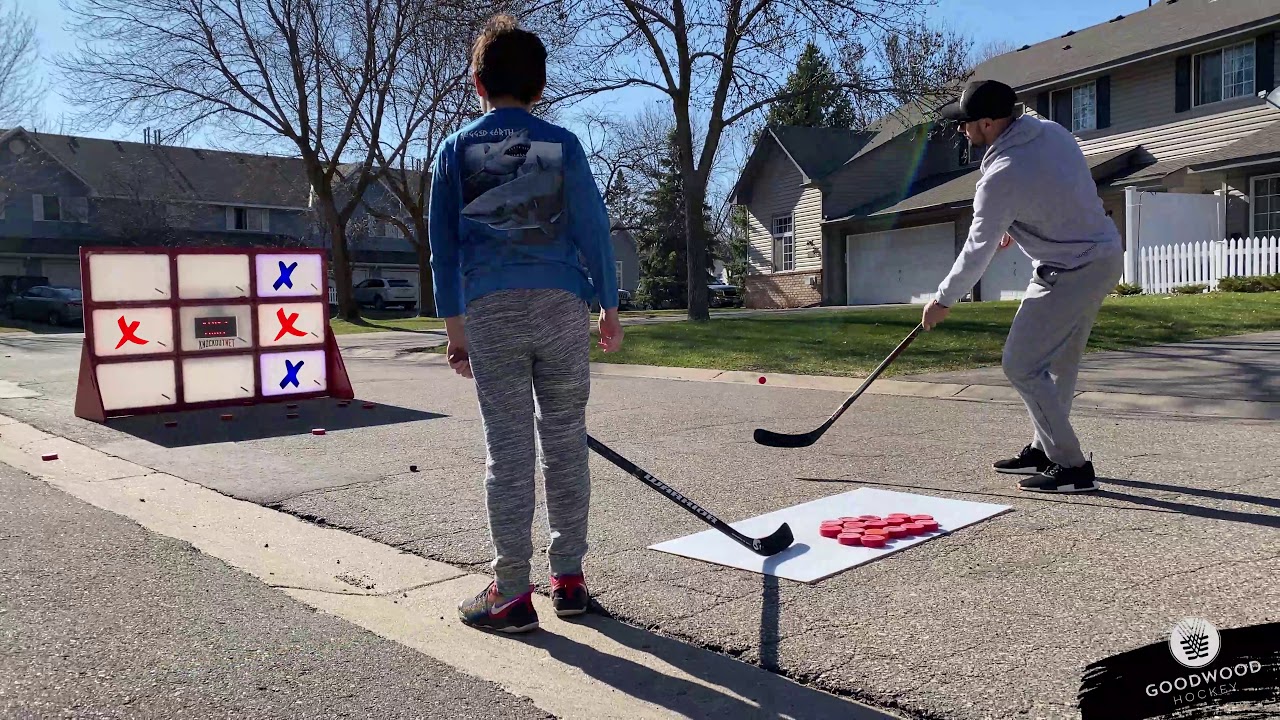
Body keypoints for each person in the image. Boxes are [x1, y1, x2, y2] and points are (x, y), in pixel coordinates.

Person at [428, 15, 624, 633]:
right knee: (566, 442)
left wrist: (455, 330)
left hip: (491, 309)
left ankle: (512, 592)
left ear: (477, 83)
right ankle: (569, 579)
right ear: (539, 87)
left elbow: (444, 245)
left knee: (508, 449)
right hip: (563, 303)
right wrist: (609, 303)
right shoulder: (563, 144)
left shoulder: (455, 149)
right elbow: (593, 224)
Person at [921, 79, 1123, 494]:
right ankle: (1044, 447)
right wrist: (1020, 219)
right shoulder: (1050, 131)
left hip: (1072, 267)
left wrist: (943, 299)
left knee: (1021, 364)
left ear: (990, 123)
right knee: (1059, 364)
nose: (962, 130)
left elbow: (977, 249)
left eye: (967, 123)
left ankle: (1071, 467)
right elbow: (1062, 188)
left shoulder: (1003, 174)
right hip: (1097, 256)